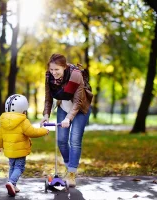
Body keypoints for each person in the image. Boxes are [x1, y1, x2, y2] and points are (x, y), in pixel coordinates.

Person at [40, 53, 93, 187]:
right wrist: (46, 114)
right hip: (63, 106)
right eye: (51, 69)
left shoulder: (76, 75)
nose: (53, 73)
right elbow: (48, 98)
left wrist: (68, 118)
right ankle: (70, 166)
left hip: (80, 109)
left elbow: (77, 101)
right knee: (61, 140)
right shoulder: (49, 77)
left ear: (64, 67)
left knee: (74, 140)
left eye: (57, 70)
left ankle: (71, 173)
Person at [0, 94, 49, 197]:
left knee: (12, 166)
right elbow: (32, 132)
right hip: (20, 151)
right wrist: (44, 131)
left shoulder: (3, 121)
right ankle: (11, 182)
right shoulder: (23, 121)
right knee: (19, 167)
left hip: (9, 151)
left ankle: (12, 185)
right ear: (23, 110)